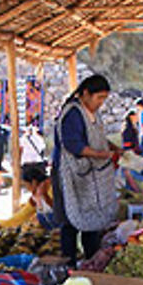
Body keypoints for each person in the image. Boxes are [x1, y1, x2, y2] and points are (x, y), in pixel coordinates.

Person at [52, 74, 119, 266]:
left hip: (87, 177)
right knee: (70, 223)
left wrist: (113, 148)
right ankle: (69, 267)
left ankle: (92, 263)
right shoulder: (72, 113)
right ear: (86, 93)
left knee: (92, 220)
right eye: (99, 98)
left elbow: (98, 138)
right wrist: (103, 154)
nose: (101, 103)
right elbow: (75, 146)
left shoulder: (92, 113)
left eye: (104, 99)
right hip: (70, 177)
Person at [0, 163, 55, 229]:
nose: (27, 188)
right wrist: (2, 224)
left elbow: (57, 208)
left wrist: (45, 196)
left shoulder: (52, 189)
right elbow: (23, 214)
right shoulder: (35, 197)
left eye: (26, 185)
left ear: (34, 182)